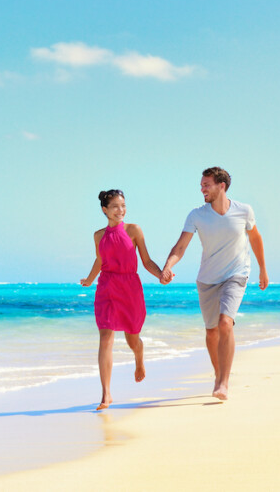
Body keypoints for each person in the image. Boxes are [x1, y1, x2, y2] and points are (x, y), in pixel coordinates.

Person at [160, 167, 268, 401]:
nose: (202, 189)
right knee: (211, 332)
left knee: (225, 323)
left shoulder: (244, 211)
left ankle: (223, 382)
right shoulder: (196, 215)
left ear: (222, 186)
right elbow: (180, 246)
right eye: (201, 185)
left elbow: (255, 238)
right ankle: (218, 373)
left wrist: (262, 269)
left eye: (206, 185)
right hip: (208, 278)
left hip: (236, 274)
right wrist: (168, 265)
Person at [80, 189, 163, 410]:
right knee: (105, 337)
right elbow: (100, 260)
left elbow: (146, 261)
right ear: (105, 210)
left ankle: (139, 358)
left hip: (129, 288)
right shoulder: (98, 236)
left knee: (132, 339)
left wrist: (161, 274)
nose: (121, 210)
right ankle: (106, 394)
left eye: (123, 205)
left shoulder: (133, 230)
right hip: (107, 288)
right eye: (115, 206)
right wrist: (89, 280)